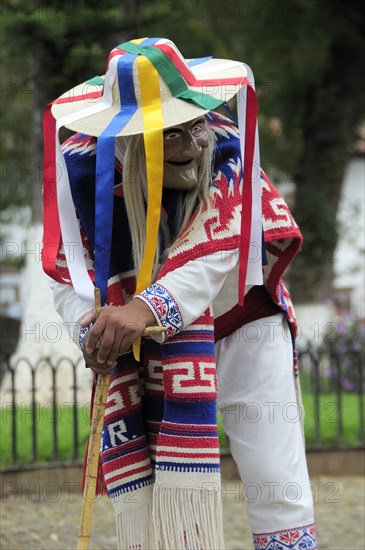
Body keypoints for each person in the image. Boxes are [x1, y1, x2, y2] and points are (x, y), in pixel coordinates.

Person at [43, 38, 317, 550]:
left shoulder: (226, 144)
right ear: (127, 136)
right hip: (145, 341)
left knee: (274, 473)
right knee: (157, 487)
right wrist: (93, 324)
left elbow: (224, 247)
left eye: (194, 124)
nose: (193, 146)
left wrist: (145, 307)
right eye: (170, 134)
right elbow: (66, 269)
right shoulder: (76, 171)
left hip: (244, 318)